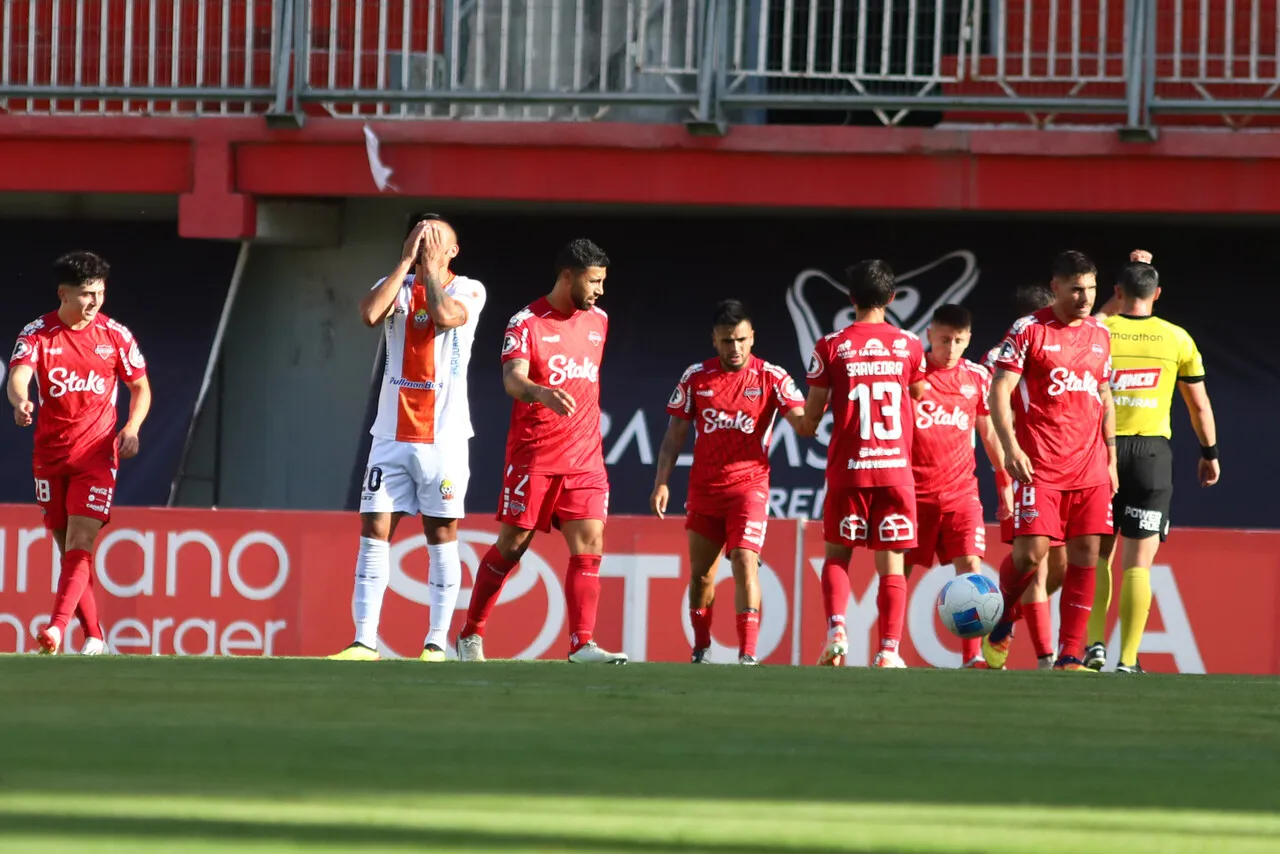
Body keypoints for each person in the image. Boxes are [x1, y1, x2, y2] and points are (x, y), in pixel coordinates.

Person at [457, 239, 627, 664]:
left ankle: (582, 644)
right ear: (567, 275)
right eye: (594, 281)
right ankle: (470, 634)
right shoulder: (526, 322)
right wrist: (539, 392)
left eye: (603, 281)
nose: (600, 290)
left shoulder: (599, 321)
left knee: (590, 542)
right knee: (513, 546)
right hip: (535, 456)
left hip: (585, 457)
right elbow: (511, 378)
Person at [329, 213, 486, 662]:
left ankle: (436, 641)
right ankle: (364, 640)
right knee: (374, 527)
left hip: (444, 437)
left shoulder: (469, 288)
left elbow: (444, 315)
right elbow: (368, 314)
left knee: (441, 532)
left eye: (436, 239)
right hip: (391, 433)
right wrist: (405, 263)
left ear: (453, 250)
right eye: (419, 236)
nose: (426, 243)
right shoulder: (394, 283)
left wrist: (432, 270)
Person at [7, 251, 151, 655]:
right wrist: (21, 402)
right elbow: (18, 375)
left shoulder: (115, 336)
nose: (94, 302)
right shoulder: (38, 333)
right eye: (86, 294)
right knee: (67, 549)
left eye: (100, 293)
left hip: (96, 454)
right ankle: (96, 638)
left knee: (80, 541)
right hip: (50, 456)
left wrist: (132, 427)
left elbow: (140, 386)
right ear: (63, 294)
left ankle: (55, 629)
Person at [651, 299, 806, 665]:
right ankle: (701, 649)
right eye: (726, 341)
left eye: (740, 340)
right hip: (705, 491)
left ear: (752, 338)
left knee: (743, 559)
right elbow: (674, 434)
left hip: (750, 488)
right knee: (702, 577)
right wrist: (662, 482)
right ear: (714, 340)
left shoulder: (771, 376)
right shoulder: (696, 378)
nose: (734, 349)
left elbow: (801, 421)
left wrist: (815, 407)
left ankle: (747, 654)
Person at [1083, 258, 1219, 673]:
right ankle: (1127, 659)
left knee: (1098, 556)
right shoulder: (1177, 338)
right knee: (1138, 562)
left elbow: (1090, 321)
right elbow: (1198, 405)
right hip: (1151, 456)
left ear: (1118, 291)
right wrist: (1209, 453)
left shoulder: (1100, 332)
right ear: (1157, 294)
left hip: (1100, 453)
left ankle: (1093, 647)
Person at [986, 250, 1118, 672]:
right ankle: (1004, 613)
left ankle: (1069, 656)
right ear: (1056, 286)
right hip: (1039, 463)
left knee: (1085, 553)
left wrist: (1111, 457)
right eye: (1077, 289)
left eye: (1091, 289)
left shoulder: (1100, 334)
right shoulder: (1029, 330)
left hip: (1091, 465)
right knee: (1029, 556)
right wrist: (1010, 447)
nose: (1085, 297)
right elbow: (999, 392)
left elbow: (1105, 395)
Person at [800, 260, 928, 669]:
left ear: (849, 297)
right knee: (891, 563)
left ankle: (837, 629)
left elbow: (812, 416)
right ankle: (889, 650)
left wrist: (798, 420)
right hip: (895, 470)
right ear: (892, 298)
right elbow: (920, 393)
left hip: (849, 469)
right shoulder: (910, 345)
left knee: (837, 556)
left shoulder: (830, 346)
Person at [906, 304, 1003, 668]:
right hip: (913, 493)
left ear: (969, 340)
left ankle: (972, 656)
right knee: (897, 572)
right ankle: (887, 649)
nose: (951, 348)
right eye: (944, 339)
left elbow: (989, 432)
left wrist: (1004, 484)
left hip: (962, 492)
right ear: (929, 334)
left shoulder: (976, 377)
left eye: (959, 341)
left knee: (971, 567)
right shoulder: (910, 376)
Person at [982, 283, 1066, 670]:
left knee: (1058, 565)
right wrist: (1006, 477)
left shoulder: (1066, 343)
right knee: (1036, 561)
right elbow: (991, 423)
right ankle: (1047, 657)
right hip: (1024, 470)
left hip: (1063, 468)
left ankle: (1007, 614)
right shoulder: (1000, 358)